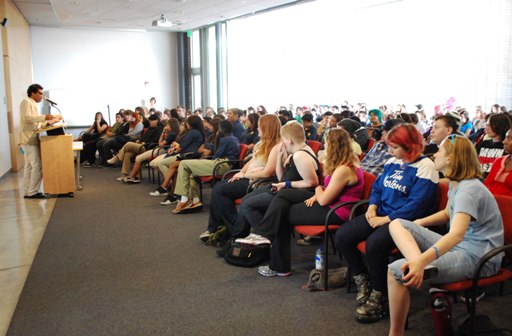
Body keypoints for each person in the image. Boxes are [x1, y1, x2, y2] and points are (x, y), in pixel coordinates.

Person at [387, 134, 504, 336]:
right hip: (463, 247)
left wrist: (423, 259)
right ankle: (422, 267)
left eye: (439, 152)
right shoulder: (457, 181)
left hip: (479, 257)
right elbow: (448, 214)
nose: (435, 155)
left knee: (395, 270)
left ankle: (395, 333)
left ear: (450, 158)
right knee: (398, 224)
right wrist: (416, 225)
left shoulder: (468, 189)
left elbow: (457, 234)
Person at [334, 123, 439, 323]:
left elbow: (417, 205)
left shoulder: (426, 167)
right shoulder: (392, 162)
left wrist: (386, 219)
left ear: (410, 146)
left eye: (395, 147)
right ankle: (363, 278)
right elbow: (378, 189)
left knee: (374, 245)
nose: (389, 150)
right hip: (382, 214)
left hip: (404, 223)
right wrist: (373, 207)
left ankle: (379, 293)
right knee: (343, 236)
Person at [256, 128, 364, 277]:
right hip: (330, 204)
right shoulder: (344, 164)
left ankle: (277, 262)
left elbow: (324, 198)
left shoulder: (344, 169)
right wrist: (321, 191)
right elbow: (328, 191)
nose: (324, 147)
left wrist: (319, 189)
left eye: (326, 144)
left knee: (282, 213)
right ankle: (265, 236)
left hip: (337, 211)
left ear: (333, 146)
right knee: (284, 196)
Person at [234, 121, 320, 245]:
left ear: (289, 140)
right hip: (286, 189)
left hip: (296, 193)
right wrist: (280, 158)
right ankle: (258, 237)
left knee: (248, 205)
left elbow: (312, 183)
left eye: (283, 139)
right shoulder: (295, 153)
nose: (282, 143)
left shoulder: (300, 155)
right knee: (247, 199)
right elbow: (281, 178)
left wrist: (287, 184)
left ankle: (264, 239)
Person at [200, 114, 282, 241]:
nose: (258, 129)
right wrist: (240, 173)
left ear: (267, 128)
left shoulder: (277, 147)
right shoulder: (262, 143)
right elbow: (251, 162)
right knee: (218, 187)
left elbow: (267, 173)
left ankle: (231, 229)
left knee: (220, 191)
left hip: (258, 181)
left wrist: (244, 174)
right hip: (248, 176)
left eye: (260, 127)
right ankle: (220, 227)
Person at [172, 120, 240, 213]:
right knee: (191, 172)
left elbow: (217, 155)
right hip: (222, 164)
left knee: (184, 163)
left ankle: (184, 200)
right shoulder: (231, 138)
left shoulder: (227, 139)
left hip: (222, 165)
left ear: (221, 130)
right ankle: (195, 201)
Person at [18, 83, 62, 198]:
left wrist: (51, 121)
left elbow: (36, 123)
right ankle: (32, 192)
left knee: (29, 166)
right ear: (33, 93)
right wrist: (44, 117)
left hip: (31, 138)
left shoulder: (32, 103)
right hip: (28, 139)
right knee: (37, 165)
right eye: (40, 93)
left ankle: (28, 191)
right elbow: (26, 118)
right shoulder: (26, 102)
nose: (42, 96)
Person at [123, 118, 180, 184]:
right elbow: (160, 143)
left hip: (162, 150)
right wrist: (163, 134)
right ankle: (134, 176)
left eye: (168, 125)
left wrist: (162, 135)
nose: (166, 127)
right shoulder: (170, 134)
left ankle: (132, 177)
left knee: (138, 158)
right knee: (138, 157)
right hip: (161, 149)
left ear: (171, 125)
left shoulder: (171, 134)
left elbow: (160, 144)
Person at [107, 114, 163, 180]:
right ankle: (124, 175)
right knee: (127, 154)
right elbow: (144, 137)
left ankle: (117, 157)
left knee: (128, 144)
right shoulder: (150, 128)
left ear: (156, 120)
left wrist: (145, 143)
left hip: (148, 148)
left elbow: (155, 141)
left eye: (152, 121)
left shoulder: (160, 129)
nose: (150, 122)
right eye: (150, 120)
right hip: (141, 145)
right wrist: (140, 140)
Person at [475, 113, 511, 177]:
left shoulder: (507, 147)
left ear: (499, 125)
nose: (487, 129)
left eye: (490, 125)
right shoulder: (483, 143)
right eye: (486, 125)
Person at [484, 127, 512, 195]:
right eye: (505, 137)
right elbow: (487, 185)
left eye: (509, 138)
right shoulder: (499, 161)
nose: (504, 142)